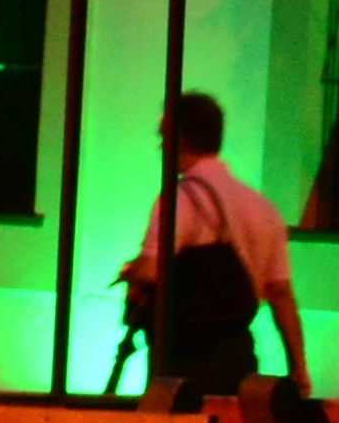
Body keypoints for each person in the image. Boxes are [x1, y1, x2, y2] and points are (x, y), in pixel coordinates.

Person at [117, 90, 306, 405]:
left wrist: (129, 270)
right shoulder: (263, 208)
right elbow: (281, 293)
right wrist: (298, 369)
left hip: (182, 367)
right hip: (239, 363)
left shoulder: (179, 199)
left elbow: (152, 270)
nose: (160, 146)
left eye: (163, 136)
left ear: (180, 139)